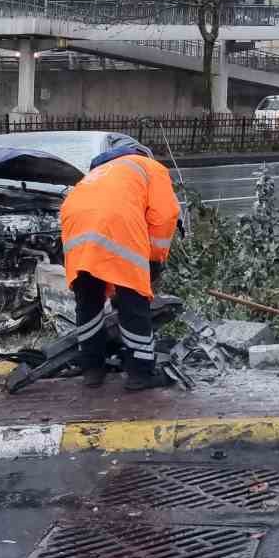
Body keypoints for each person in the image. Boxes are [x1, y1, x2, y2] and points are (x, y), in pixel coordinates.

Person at [60, 136, 180, 391]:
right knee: (133, 300)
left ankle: (92, 369)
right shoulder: (150, 167)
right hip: (115, 222)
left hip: (75, 226)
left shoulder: (98, 172)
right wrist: (155, 258)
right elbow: (165, 216)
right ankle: (140, 373)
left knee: (88, 299)